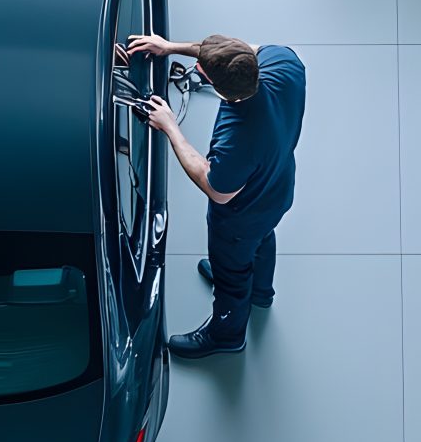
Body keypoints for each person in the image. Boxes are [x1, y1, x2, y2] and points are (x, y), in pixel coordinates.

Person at [126, 32, 306, 359]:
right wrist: (169, 47)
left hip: (240, 219)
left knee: (231, 273)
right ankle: (261, 293)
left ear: (218, 89)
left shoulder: (238, 140)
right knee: (264, 238)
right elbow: (240, 51)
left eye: (201, 70)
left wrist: (171, 128)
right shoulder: (285, 63)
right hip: (278, 189)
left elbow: (216, 189)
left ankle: (228, 334)